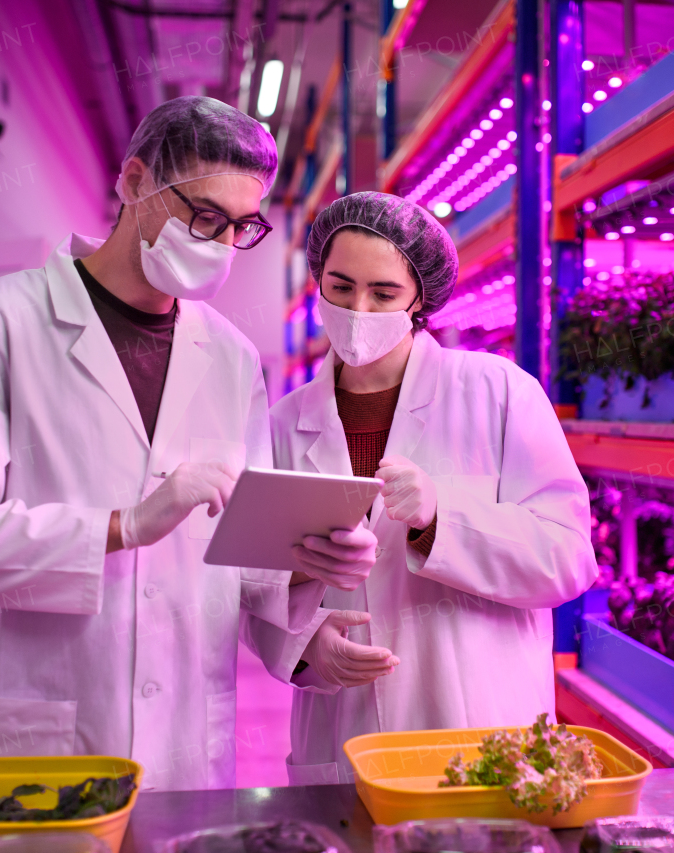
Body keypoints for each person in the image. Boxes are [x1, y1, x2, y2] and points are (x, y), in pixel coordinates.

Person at [0, 97, 375, 791]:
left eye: (241, 226)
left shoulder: (232, 358)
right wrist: (121, 527)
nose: (219, 242)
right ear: (135, 181)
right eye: (204, 216)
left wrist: (309, 585)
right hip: (39, 730)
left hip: (183, 739)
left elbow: (243, 556)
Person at [243, 192, 599, 785]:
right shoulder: (281, 423)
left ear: (420, 300)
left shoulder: (499, 392)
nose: (358, 308)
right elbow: (249, 579)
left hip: (481, 724)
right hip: (343, 731)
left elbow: (568, 561)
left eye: (383, 293)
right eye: (340, 286)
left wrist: (442, 519)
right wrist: (304, 648)